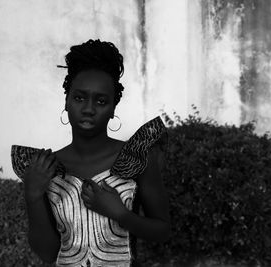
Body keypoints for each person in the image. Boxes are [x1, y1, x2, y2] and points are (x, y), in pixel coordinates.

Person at [11, 39, 170, 267]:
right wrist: (32, 196)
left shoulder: (136, 158)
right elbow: (47, 254)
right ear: (66, 101)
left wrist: (121, 214)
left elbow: (162, 231)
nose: (88, 109)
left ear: (114, 107)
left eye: (101, 101)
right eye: (79, 98)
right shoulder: (46, 167)